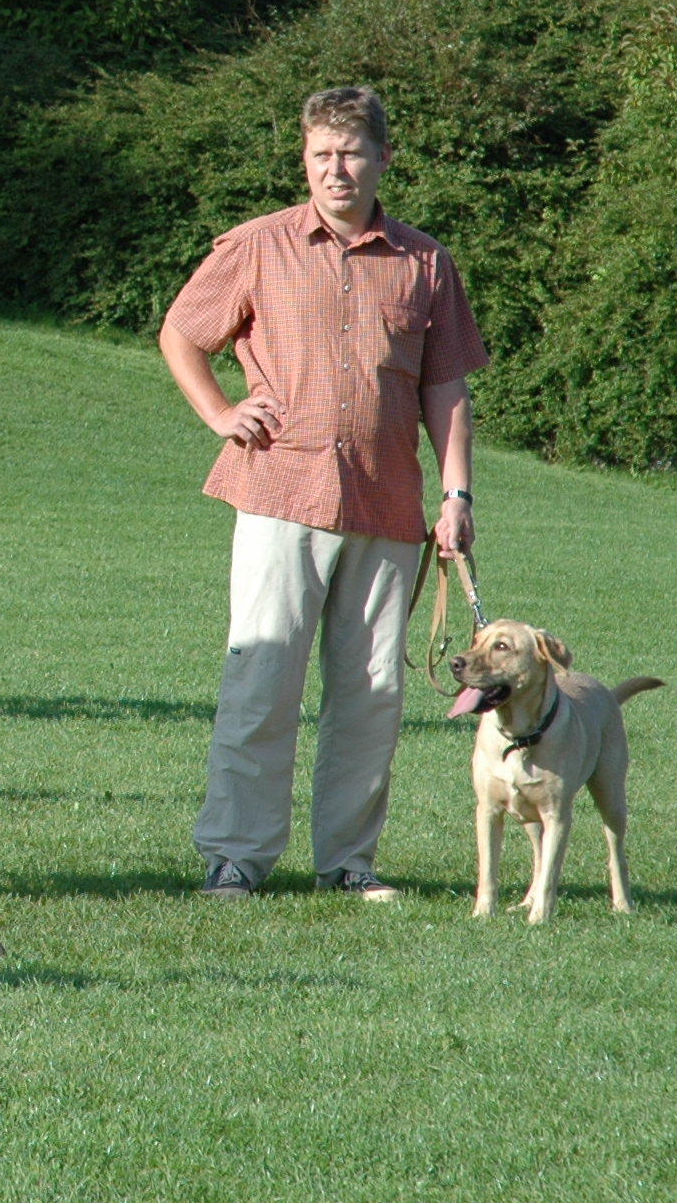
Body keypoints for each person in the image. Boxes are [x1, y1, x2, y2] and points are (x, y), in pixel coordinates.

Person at [156, 85, 483, 902]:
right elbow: (182, 333)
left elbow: (446, 388)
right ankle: (236, 857)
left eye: (352, 153)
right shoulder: (257, 246)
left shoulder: (425, 262)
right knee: (261, 682)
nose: (336, 169)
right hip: (281, 490)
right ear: (304, 160)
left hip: (388, 502)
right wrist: (221, 413)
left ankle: (347, 863)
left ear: (383, 159)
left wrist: (457, 494)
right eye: (321, 155)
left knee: (372, 694)